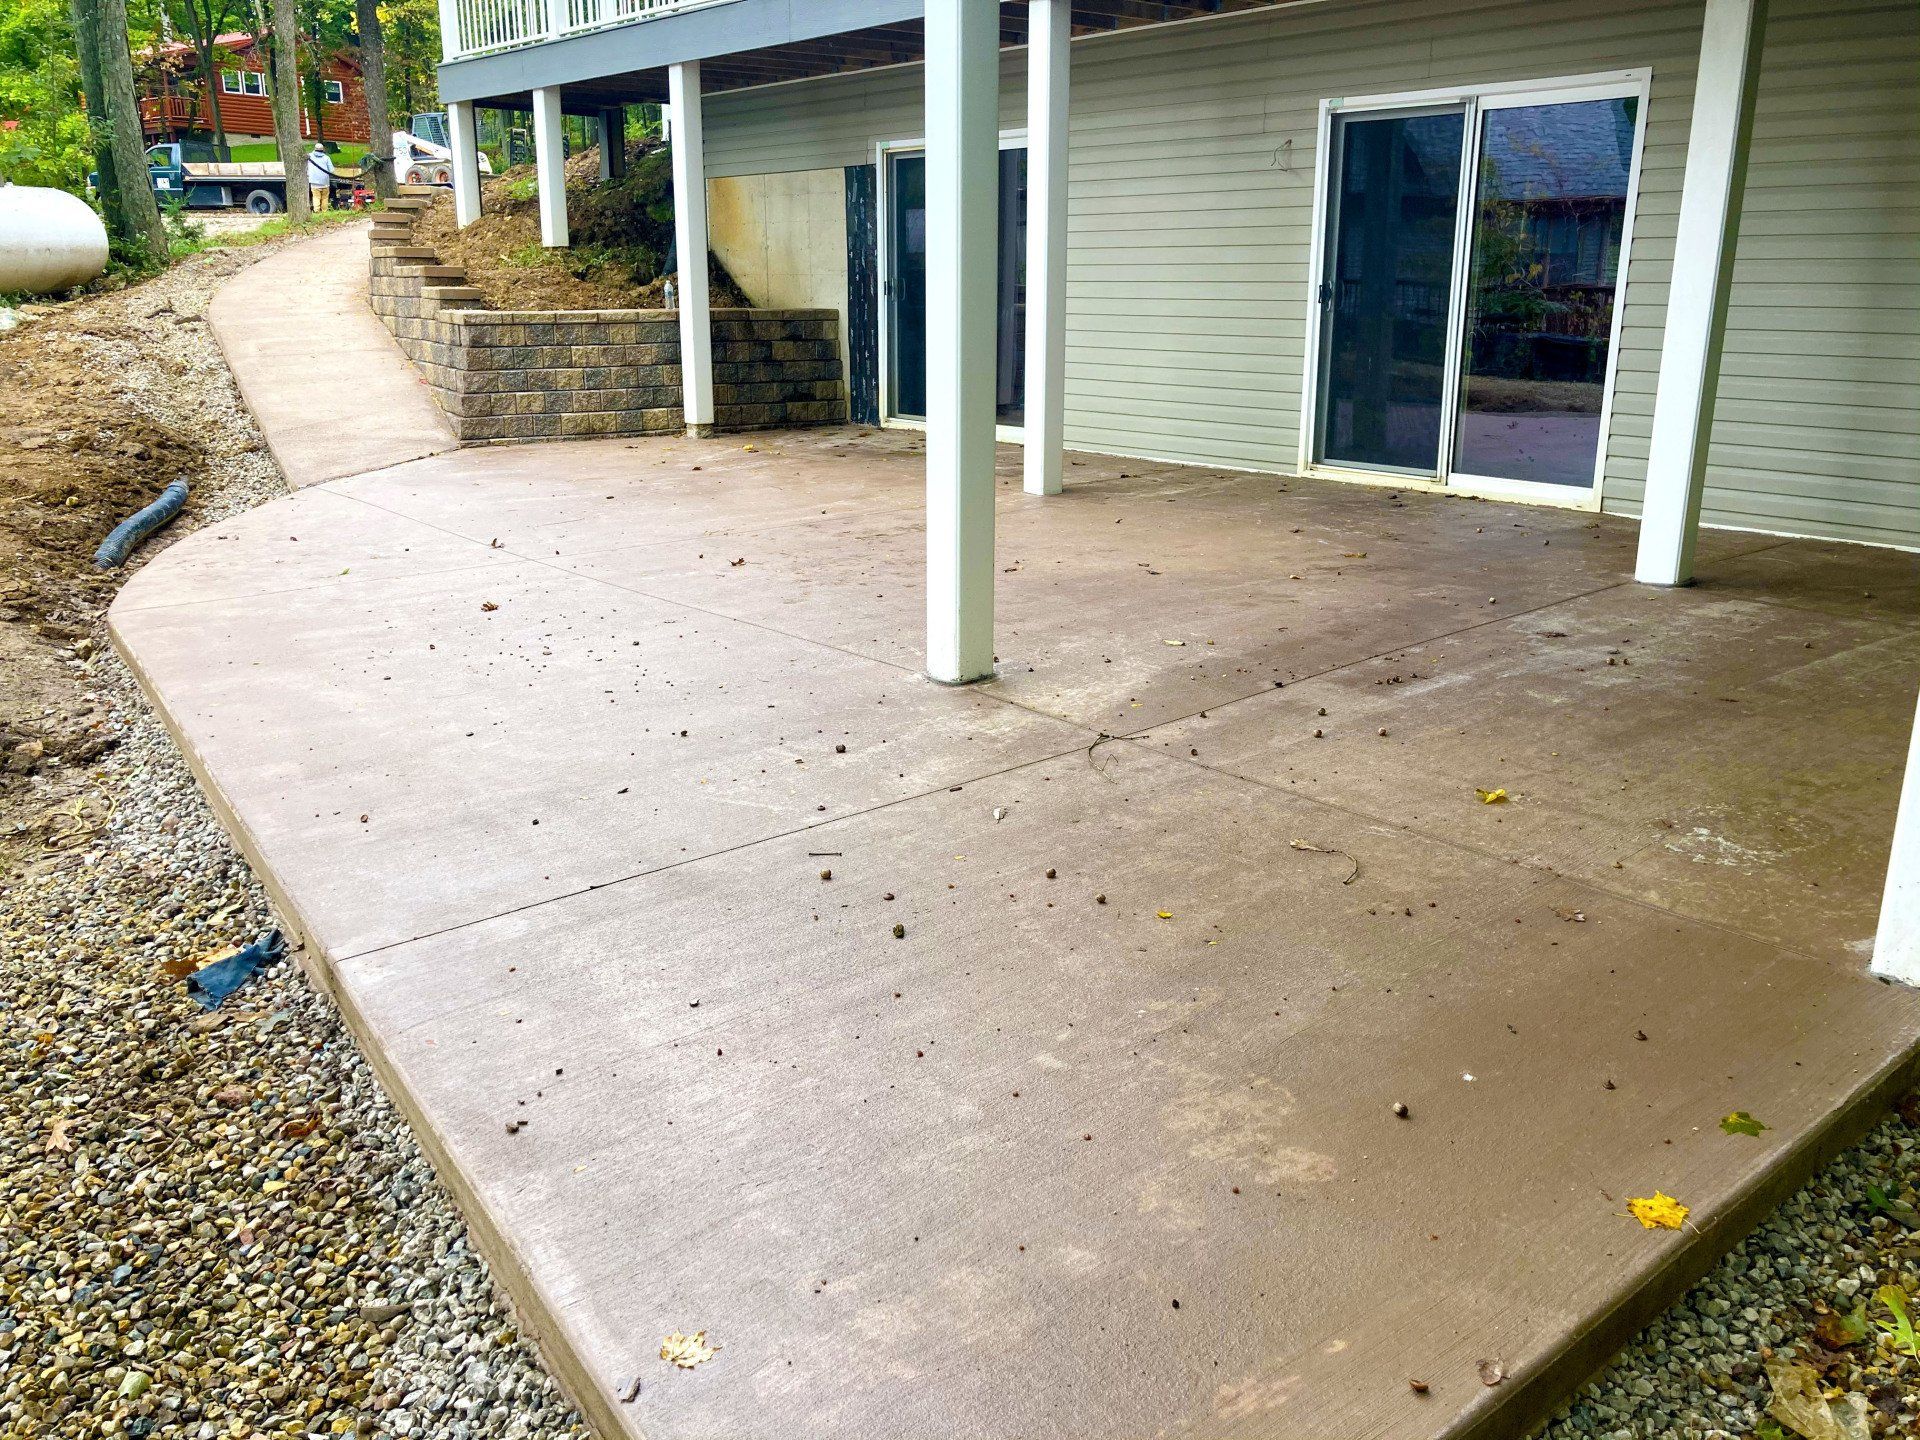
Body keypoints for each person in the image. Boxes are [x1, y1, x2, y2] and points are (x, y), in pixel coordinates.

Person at [306, 142, 334, 212]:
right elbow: (332, 170)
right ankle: (324, 211)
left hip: (314, 182)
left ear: (315, 149)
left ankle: (317, 211)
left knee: (316, 197)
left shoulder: (310, 156)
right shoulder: (326, 158)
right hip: (325, 182)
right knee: (324, 197)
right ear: (323, 150)